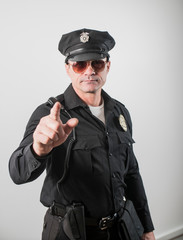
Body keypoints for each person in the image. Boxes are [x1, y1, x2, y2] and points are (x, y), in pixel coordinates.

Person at [9, 28, 155, 240]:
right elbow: (17, 173)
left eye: (96, 63)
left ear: (107, 66)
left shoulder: (120, 112)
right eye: (79, 64)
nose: (89, 71)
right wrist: (38, 149)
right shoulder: (50, 114)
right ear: (68, 69)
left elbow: (132, 173)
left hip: (122, 229)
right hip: (71, 233)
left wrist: (147, 228)